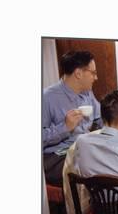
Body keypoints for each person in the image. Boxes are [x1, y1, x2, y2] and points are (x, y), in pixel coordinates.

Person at [42, 51, 103, 187]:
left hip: (82, 149)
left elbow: (100, 118)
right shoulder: (47, 98)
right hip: (56, 158)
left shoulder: (87, 92)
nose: (96, 77)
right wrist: (65, 127)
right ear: (78, 74)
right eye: (93, 73)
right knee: (96, 170)